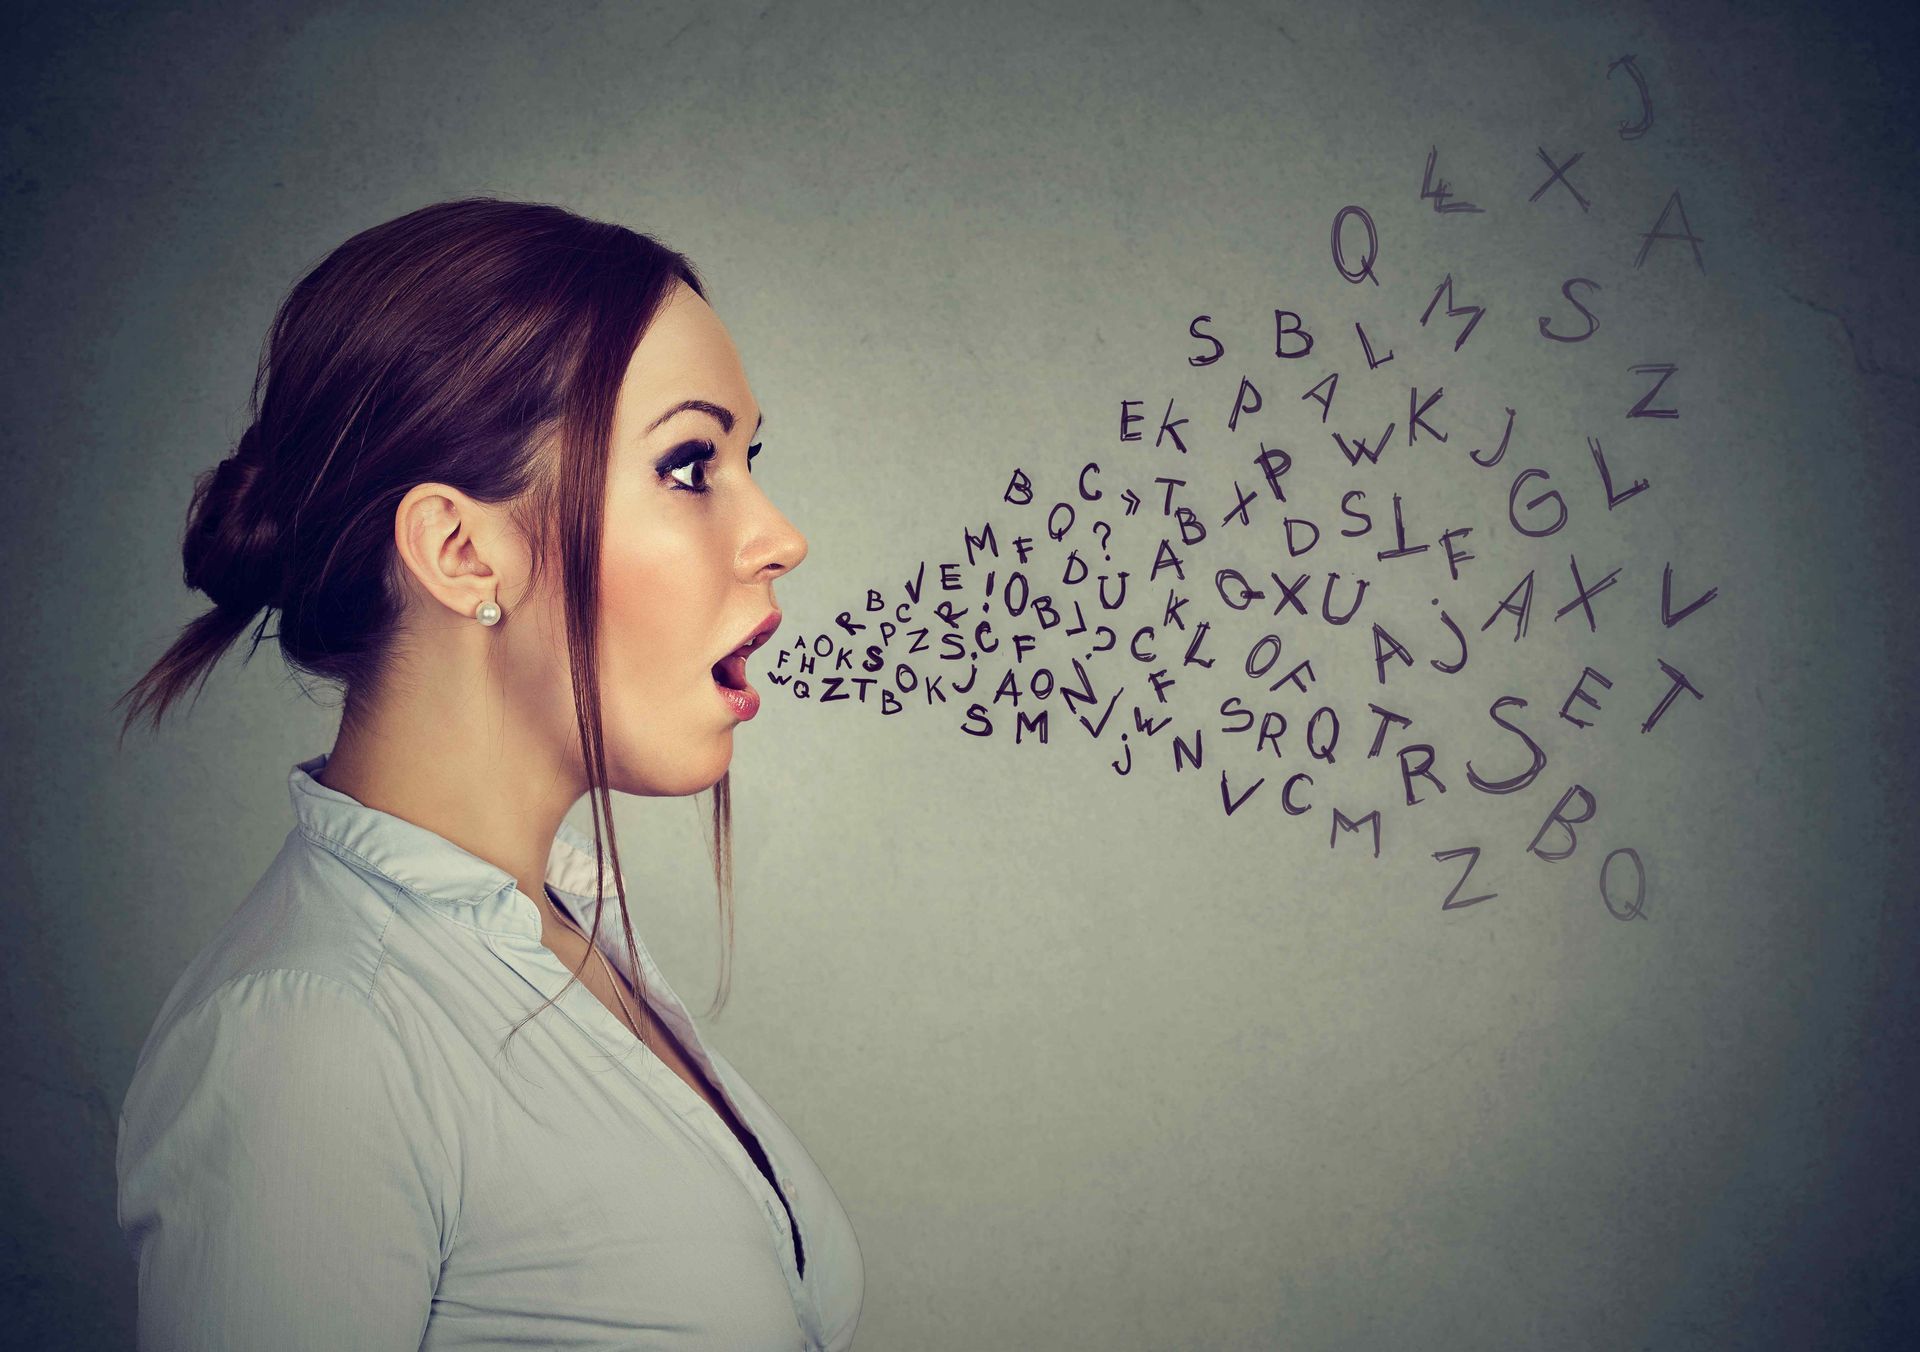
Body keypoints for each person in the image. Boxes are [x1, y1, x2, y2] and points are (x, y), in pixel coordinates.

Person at [111, 197, 864, 1350]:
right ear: (462, 552)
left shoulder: (568, 924)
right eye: (689, 464)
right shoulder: (311, 1050)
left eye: (747, 459)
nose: (780, 536)